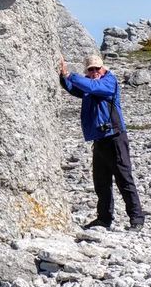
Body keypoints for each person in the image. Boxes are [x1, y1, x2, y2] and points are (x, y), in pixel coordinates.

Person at [59, 55, 145, 231]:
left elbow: (89, 86)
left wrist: (71, 76)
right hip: (99, 140)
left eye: (97, 68)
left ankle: (137, 219)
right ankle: (104, 219)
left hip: (115, 138)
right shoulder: (90, 87)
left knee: (124, 178)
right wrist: (63, 76)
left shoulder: (108, 82)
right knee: (101, 181)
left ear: (103, 68)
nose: (94, 72)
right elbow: (74, 89)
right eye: (90, 69)